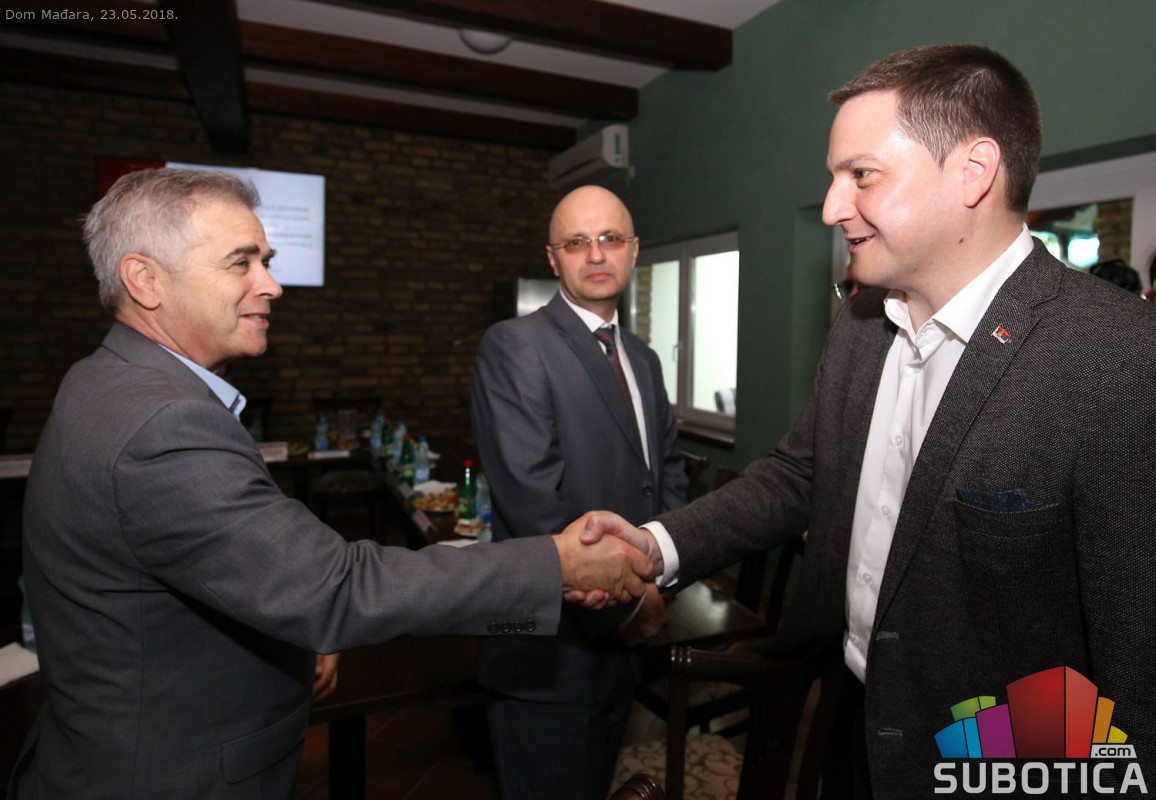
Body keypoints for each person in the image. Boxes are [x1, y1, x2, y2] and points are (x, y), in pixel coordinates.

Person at [581, 44, 1156, 797]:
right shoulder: (860, 322)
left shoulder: (1119, 358)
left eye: (862, 175)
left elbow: (1135, 669)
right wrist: (655, 544)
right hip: (844, 715)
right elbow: (799, 474)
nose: (831, 207)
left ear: (973, 172)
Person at [9, 168, 655, 800]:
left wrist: (293, 625)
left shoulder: (105, 379)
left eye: (266, 260)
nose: (271, 284)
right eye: (241, 263)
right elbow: (335, 587)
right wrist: (557, 563)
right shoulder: (162, 422)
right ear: (145, 279)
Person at [471, 185, 687, 800]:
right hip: (551, 659)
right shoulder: (514, 346)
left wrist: (657, 578)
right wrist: (631, 607)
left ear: (633, 251)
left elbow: (667, 477)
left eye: (610, 239)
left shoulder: (642, 358)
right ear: (553, 258)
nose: (595, 254)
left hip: (623, 654)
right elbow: (534, 504)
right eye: (576, 242)